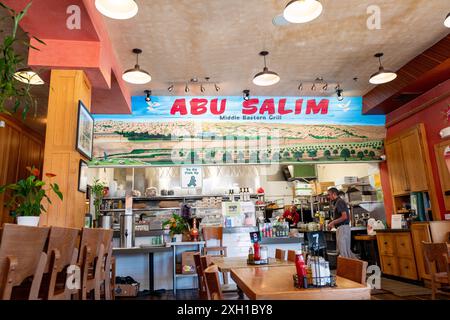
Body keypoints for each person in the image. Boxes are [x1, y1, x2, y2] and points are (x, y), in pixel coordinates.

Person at [327, 187, 357, 258]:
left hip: (343, 228)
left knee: (343, 252)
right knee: (345, 251)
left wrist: (333, 222)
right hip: (342, 228)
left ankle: (357, 266)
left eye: (329, 194)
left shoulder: (339, 202)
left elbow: (344, 217)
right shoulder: (337, 202)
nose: (328, 197)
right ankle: (358, 266)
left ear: (334, 194)